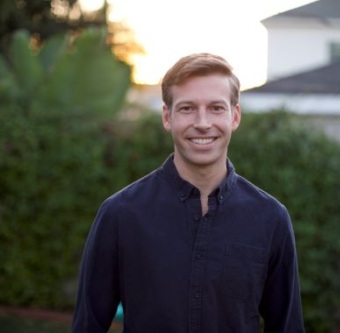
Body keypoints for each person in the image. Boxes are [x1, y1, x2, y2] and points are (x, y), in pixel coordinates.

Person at [71, 53, 304, 332]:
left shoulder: (270, 218)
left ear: (235, 116)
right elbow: (87, 325)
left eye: (216, 108)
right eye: (187, 108)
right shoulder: (121, 214)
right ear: (167, 117)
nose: (203, 122)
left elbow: (287, 326)